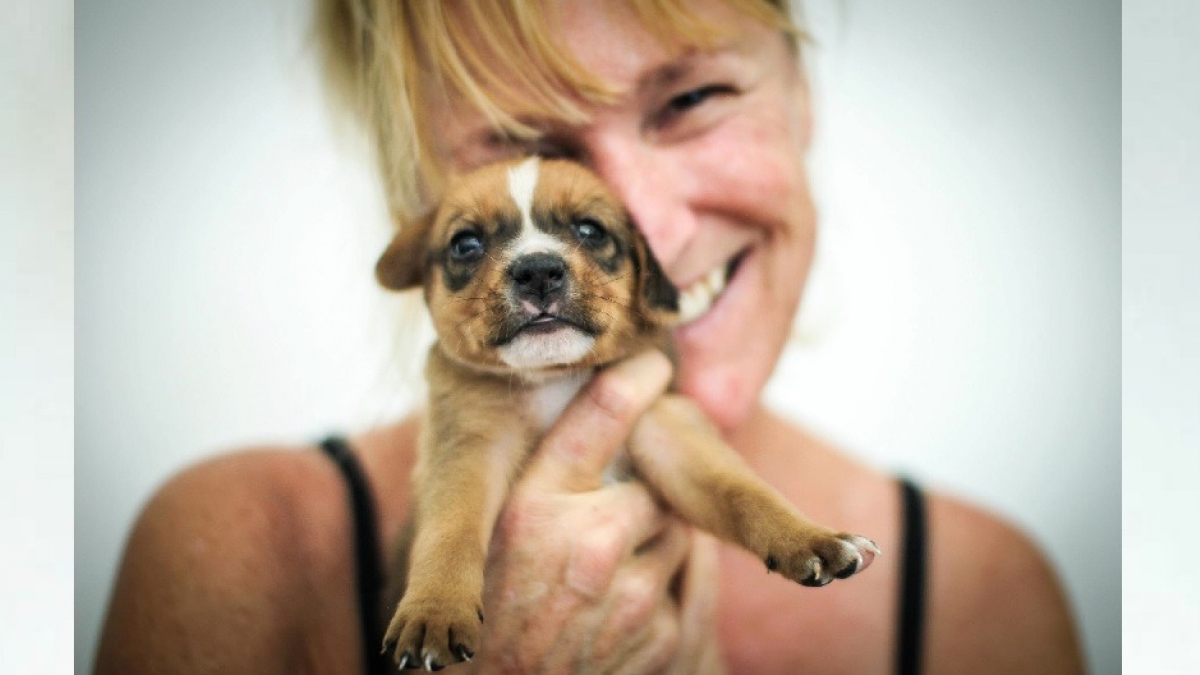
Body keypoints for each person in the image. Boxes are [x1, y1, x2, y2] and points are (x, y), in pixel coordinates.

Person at [94, 1, 1085, 673]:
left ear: (804, 98)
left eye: (693, 98)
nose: (644, 216)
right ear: (418, 207)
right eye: (529, 145)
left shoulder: (984, 598)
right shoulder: (237, 556)